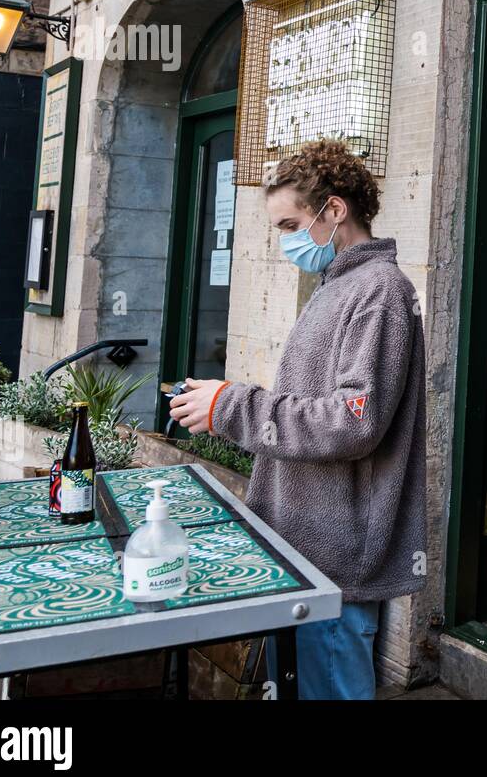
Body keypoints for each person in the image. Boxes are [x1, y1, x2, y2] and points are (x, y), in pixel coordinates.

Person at [169, 138, 426, 699]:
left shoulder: (379, 291)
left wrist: (232, 406)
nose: (285, 241)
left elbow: (355, 421)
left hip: (336, 553)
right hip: (308, 545)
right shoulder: (340, 284)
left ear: (334, 210)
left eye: (290, 225)